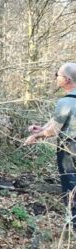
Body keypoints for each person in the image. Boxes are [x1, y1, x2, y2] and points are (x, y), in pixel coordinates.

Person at [24, 62, 76, 221]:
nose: (56, 78)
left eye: (57, 75)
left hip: (70, 149)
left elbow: (54, 130)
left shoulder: (65, 102)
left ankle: (72, 223)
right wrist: (40, 130)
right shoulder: (69, 101)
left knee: (71, 185)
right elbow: (56, 122)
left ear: (66, 79)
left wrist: (35, 137)